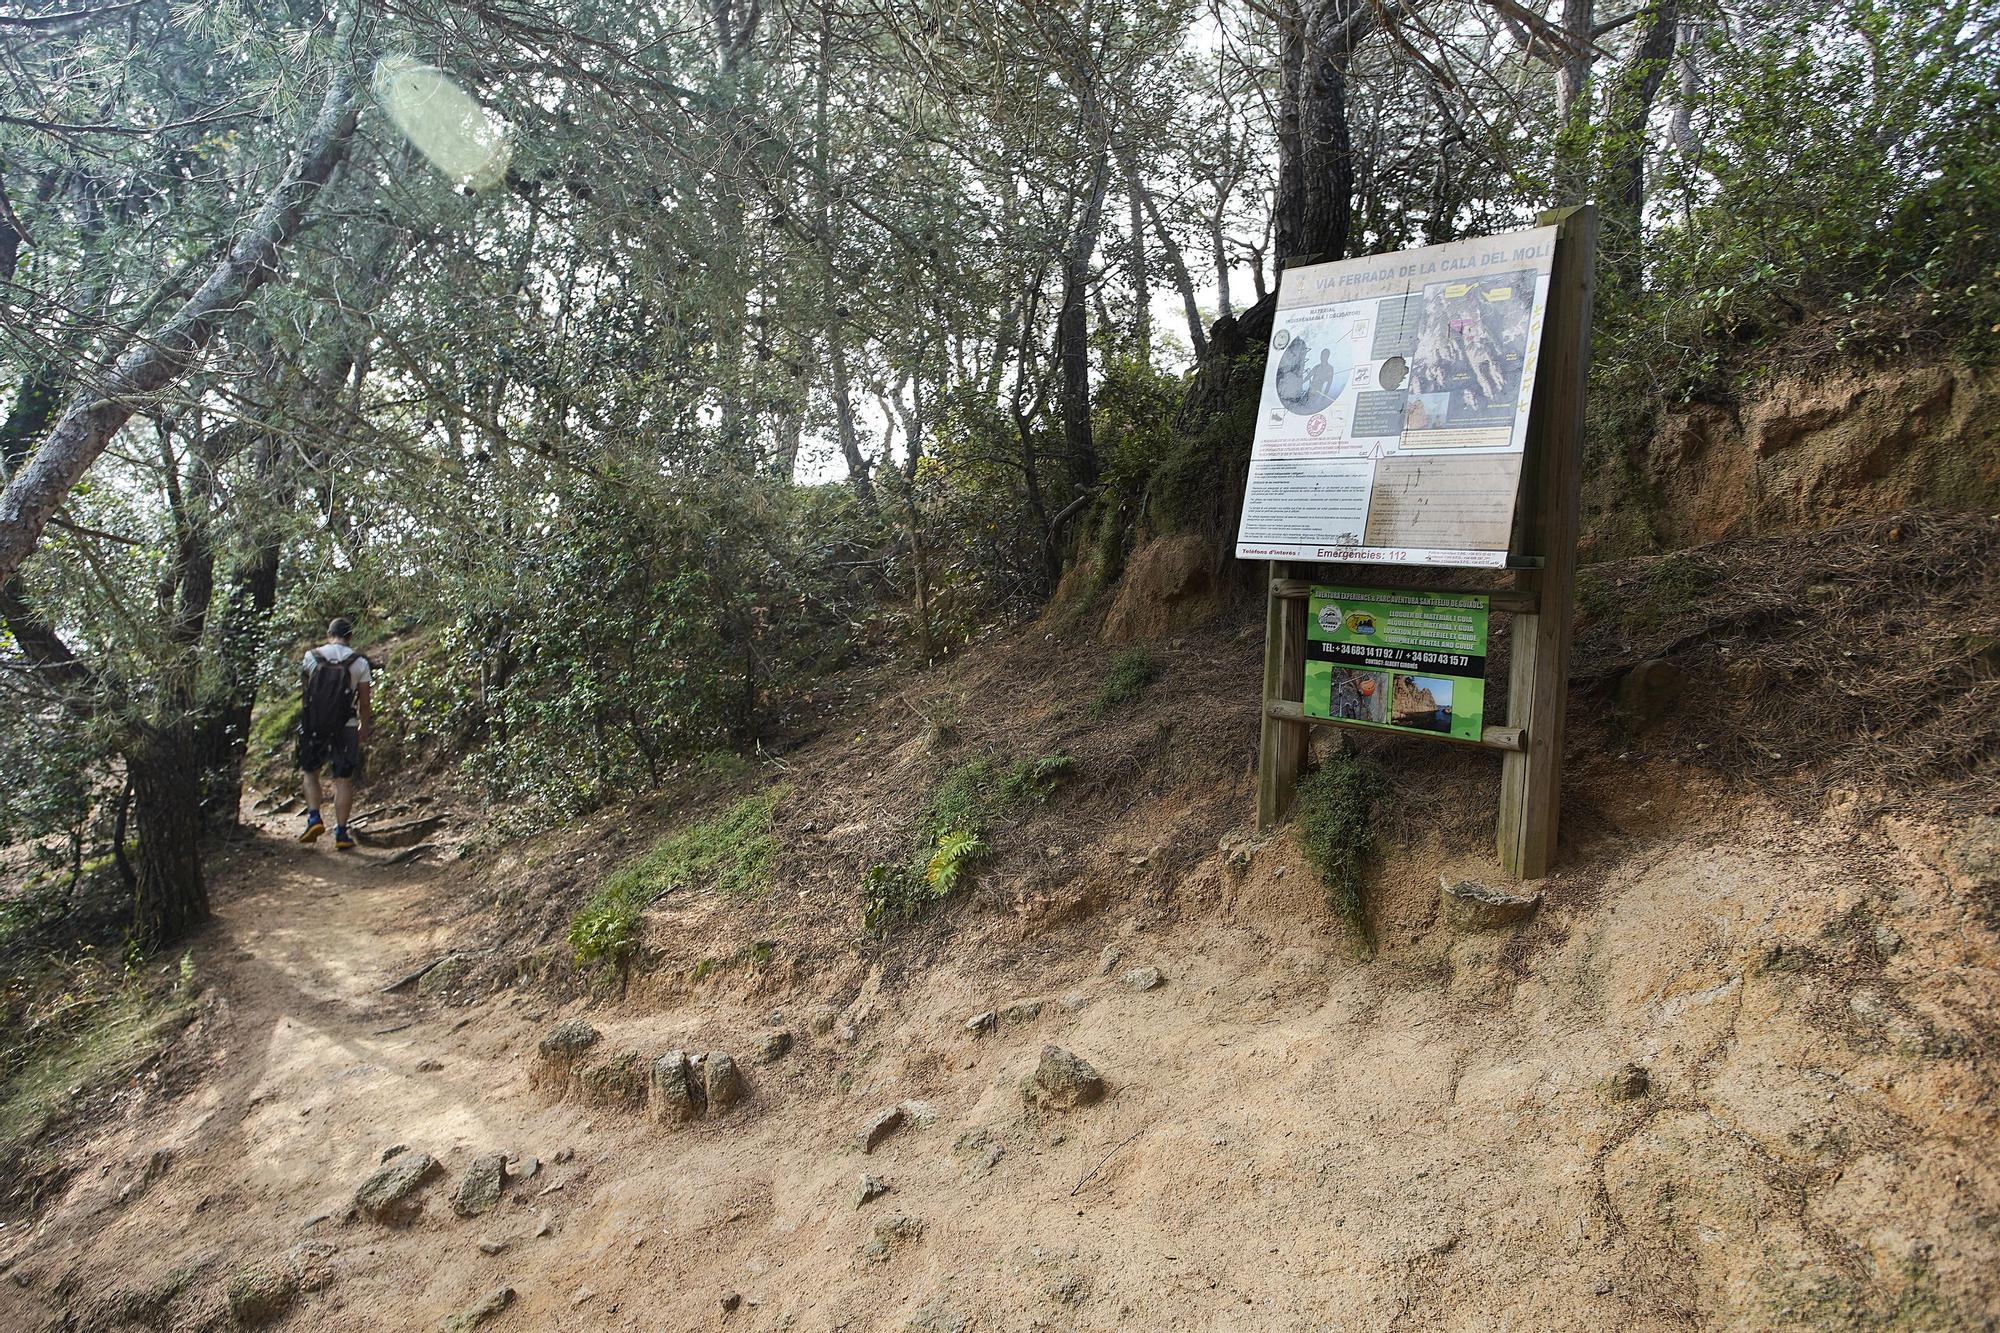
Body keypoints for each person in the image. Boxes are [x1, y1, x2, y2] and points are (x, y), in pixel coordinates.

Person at [297, 617, 372, 850]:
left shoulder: (311, 657)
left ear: (329, 633)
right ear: (350, 636)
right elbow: (365, 702)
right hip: (346, 725)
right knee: (343, 780)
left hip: (315, 724)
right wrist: (364, 726)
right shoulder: (359, 662)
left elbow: (305, 692)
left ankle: (314, 818)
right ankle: (340, 832)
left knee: (311, 771)